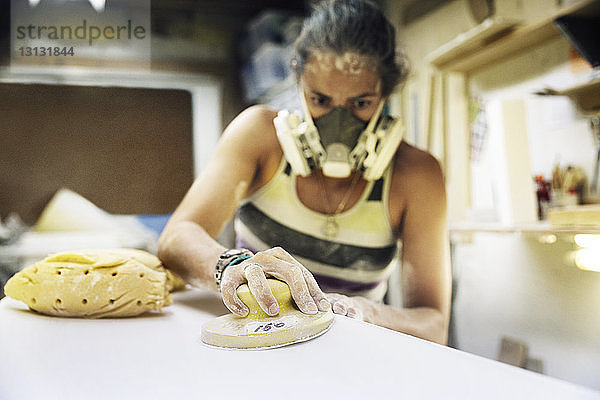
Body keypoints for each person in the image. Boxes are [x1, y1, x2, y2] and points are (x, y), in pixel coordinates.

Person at [158, 0, 451, 345]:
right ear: (298, 80)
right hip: (256, 341)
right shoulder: (259, 137)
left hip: (352, 350)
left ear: (385, 95)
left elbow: (433, 323)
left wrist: (368, 313)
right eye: (320, 100)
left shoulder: (415, 175)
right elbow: (177, 237)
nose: (337, 125)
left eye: (360, 104)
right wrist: (231, 267)